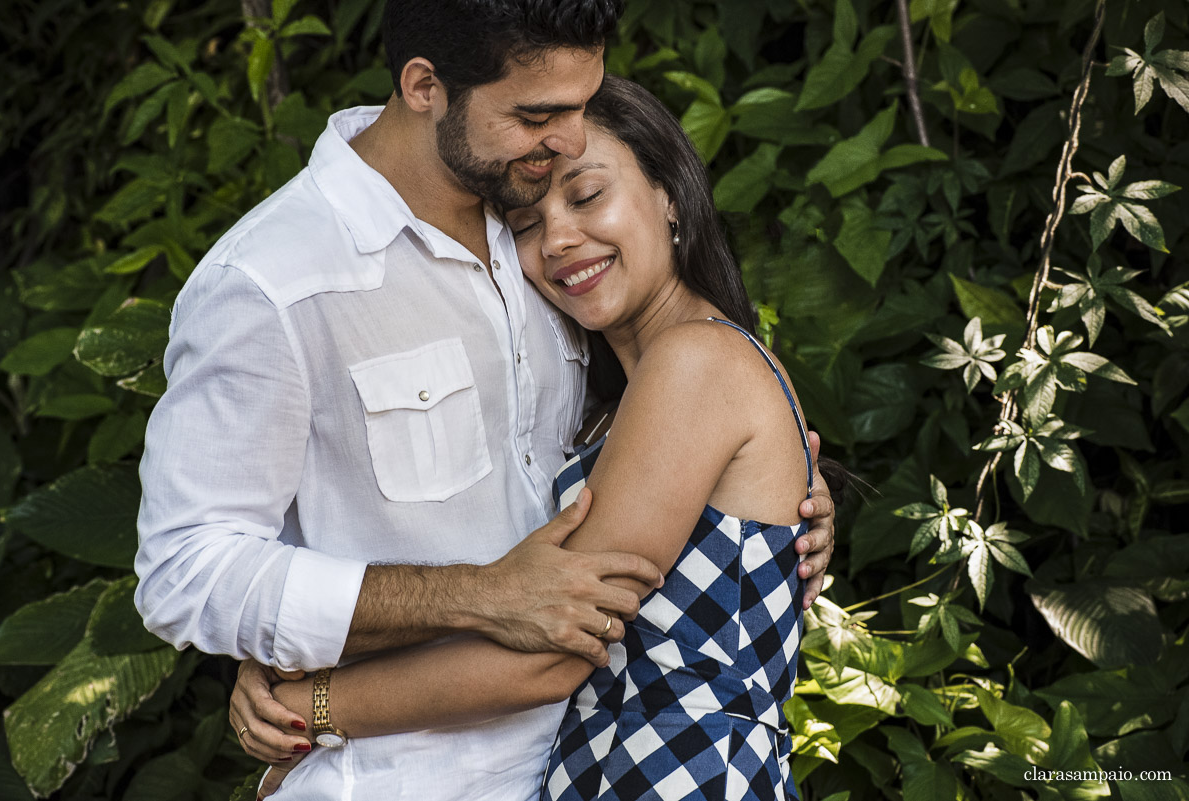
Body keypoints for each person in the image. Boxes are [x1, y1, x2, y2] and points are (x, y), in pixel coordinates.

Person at [136, 1, 835, 799]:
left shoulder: (536, 243)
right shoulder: (275, 284)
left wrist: (782, 506)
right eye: (539, 114)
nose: (567, 141)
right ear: (426, 85)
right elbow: (187, 569)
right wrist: (474, 598)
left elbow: (581, 609)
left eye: (581, 112)